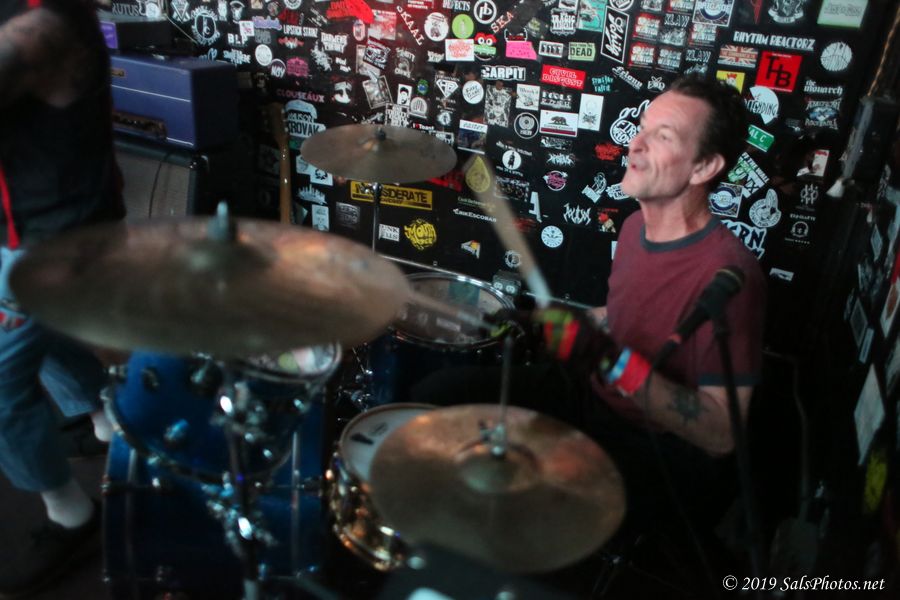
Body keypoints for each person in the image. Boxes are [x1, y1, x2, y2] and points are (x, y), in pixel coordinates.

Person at [413, 76, 764, 544]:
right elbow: (625, 312)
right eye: (642, 128)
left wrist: (609, 359)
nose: (635, 144)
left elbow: (722, 433)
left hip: (648, 443)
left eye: (662, 137)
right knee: (435, 398)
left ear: (704, 166)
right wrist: (551, 325)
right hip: (589, 395)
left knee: (518, 501)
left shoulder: (729, 277)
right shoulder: (636, 226)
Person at [0, 0, 124, 596]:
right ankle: (102, 420)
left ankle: (72, 515)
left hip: (55, 237)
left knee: (2, 385)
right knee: (46, 338)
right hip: (28, 225)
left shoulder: (46, 19)